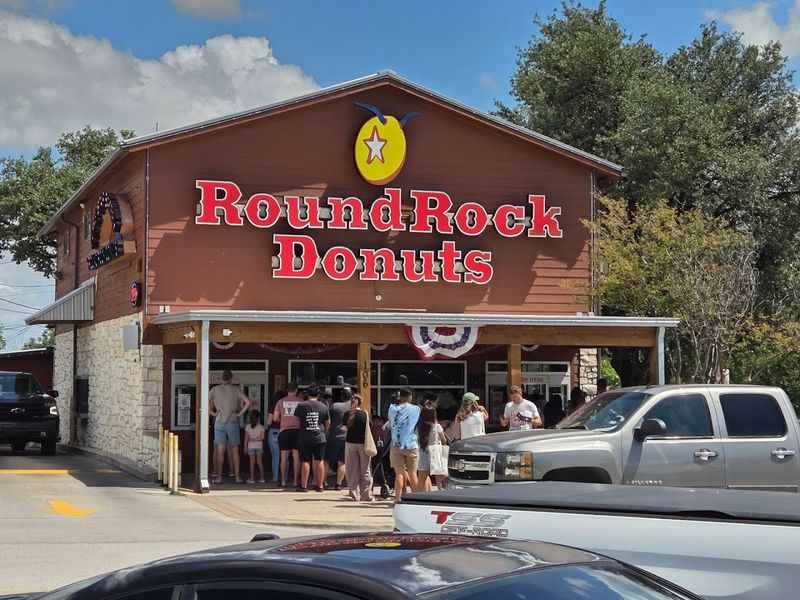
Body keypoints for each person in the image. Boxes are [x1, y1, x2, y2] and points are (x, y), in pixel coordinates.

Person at [209, 369, 251, 484]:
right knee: (235, 450)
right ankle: (237, 477)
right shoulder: (236, 389)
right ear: (231, 378)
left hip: (219, 421)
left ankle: (219, 477)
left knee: (220, 450)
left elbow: (202, 402)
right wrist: (239, 414)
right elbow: (248, 402)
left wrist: (213, 413)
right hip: (232, 421)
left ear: (221, 378)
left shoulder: (215, 389)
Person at [295, 384, 330, 492]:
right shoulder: (323, 406)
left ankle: (304, 486)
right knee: (319, 461)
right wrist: (324, 431)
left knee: (305, 461)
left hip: (305, 437)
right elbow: (328, 422)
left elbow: (297, 421)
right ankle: (320, 485)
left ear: (307, 394)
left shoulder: (302, 405)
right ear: (318, 394)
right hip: (320, 437)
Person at [387, 387, 420, 500]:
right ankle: (417, 499)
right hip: (411, 444)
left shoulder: (392, 408)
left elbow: (390, 422)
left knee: (399, 474)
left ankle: (397, 498)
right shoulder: (416, 409)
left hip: (396, 445)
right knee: (413, 474)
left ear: (400, 396)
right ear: (410, 396)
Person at [343, 393, 374, 501]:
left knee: (352, 469)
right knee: (365, 469)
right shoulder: (364, 414)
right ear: (360, 403)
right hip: (362, 443)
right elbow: (370, 427)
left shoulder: (347, 414)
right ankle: (366, 495)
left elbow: (343, 427)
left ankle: (354, 494)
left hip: (350, 443)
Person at [273, 382, 302, 488]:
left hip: (284, 431)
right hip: (297, 431)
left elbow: (275, 418)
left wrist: (284, 420)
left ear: (287, 390)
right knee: (296, 457)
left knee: (284, 457)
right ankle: (295, 481)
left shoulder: (280, 402)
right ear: (296, 390)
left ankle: (284, 481)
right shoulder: (301, 402)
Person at [326, 387, 352, 491]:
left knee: (326, 460)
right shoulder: (354, 407)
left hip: (334, 436)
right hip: (347, 438)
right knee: (342, 462)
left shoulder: (335, 406)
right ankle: (338, 484)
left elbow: (328, 420)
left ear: (342, 396)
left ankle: (323, 481)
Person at [417, 407, 447, 491]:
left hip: (423, 452)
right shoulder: (437, 426)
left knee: (421, 482)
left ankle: (419, 500)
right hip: (436, 452)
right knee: (440, 483)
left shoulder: (419, 428)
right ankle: (442, 499)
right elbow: (444, 440)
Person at [243, 410, 266, 484]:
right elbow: (262, 437)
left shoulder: (247, 427)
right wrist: (256, 439)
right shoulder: (261, 427)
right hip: (259, 445)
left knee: (252, 462)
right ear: (258, 418)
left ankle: (252, 478)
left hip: (250, 446)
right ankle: (262, 478)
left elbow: (246, 438)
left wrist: (245, 447)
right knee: (260, 461)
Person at [266, 393, 283, 483]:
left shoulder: (273, 408)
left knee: (275, 456)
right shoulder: (285, 408)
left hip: (274, 432)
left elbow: (269, 422)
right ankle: (284, 477)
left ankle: (275, 477)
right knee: (285, 456)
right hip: (284, 431)